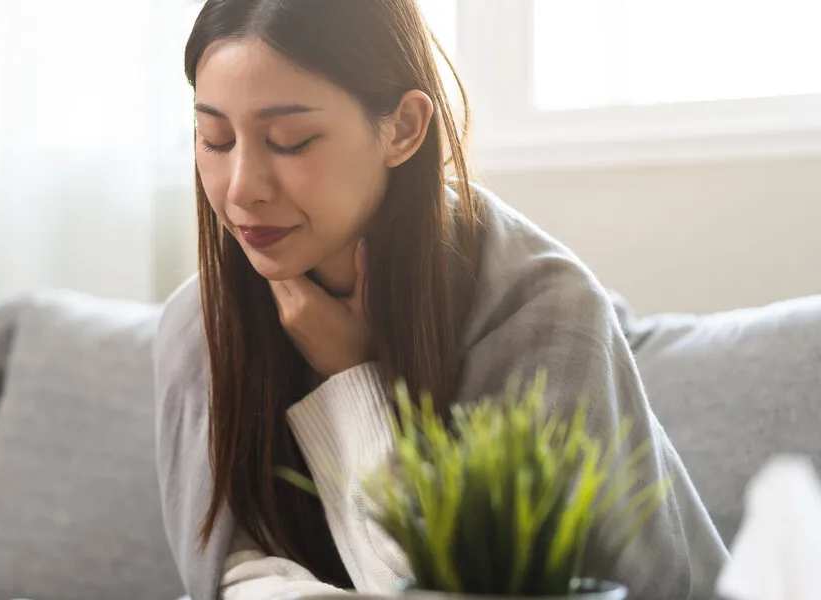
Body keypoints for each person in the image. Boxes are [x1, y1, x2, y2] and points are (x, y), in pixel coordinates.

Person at [154, 1, 729, 599]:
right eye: (215, 139)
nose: (242, 188)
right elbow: (230, 575)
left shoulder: (541, 311)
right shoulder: (198, 324)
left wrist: (352, 381)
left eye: (291, 141)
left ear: (403, 128)